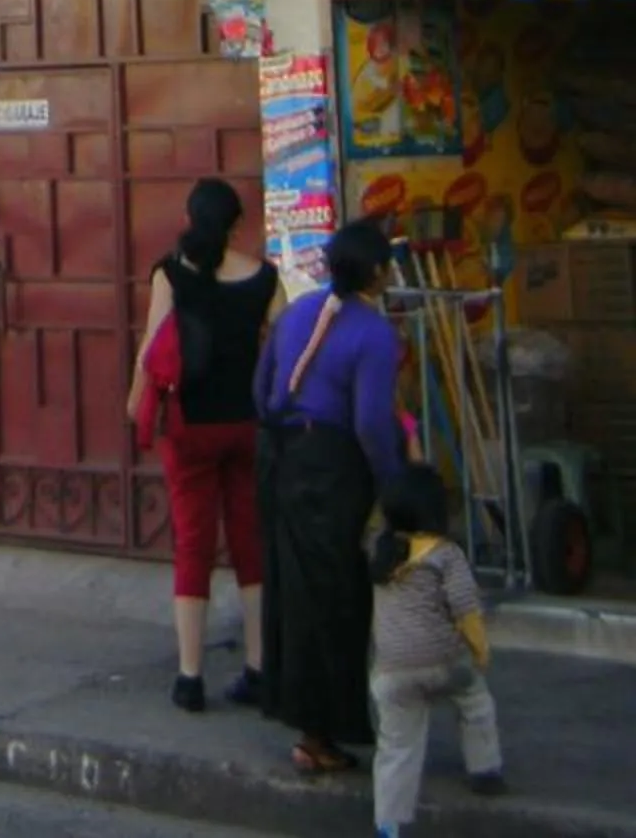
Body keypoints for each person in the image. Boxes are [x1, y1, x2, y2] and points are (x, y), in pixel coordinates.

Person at [255, 217, 406, 777]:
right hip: (333, 468)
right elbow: (371, 421)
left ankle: (306, 724)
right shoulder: (373, 333)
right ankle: (320, 733)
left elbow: (263, 386)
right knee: (337, 600)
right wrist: (392, 483)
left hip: (285, 460)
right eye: (387, 264)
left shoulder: (298, 313)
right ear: (374, 272)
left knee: (294, 593)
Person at [126, 175, 283, 712]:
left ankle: (190, 675)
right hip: (247, 422)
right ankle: (259, 667)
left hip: (190, 425)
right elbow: (283, 356)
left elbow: (152, 350)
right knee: (249, 540)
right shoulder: (266, 279)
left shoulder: (171, 275)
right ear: (238, 224)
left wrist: (135, 403)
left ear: (190, 221)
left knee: (193, 544)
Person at [369, 459, 506, 833]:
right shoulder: (447, 556)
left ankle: (389, 824)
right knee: (475, 699)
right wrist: (480, 651)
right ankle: (485, 769)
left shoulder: (381, 553)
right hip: (444, 661)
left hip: (392, 671)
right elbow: (466, 611)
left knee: (397, 748)